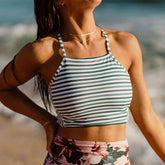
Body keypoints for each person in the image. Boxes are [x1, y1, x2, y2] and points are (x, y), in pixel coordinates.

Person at [0, 0, 164, 164]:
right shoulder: (44, 51)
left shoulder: (125, 44)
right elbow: (3, 88)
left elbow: (147, 118)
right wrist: (46, 120)